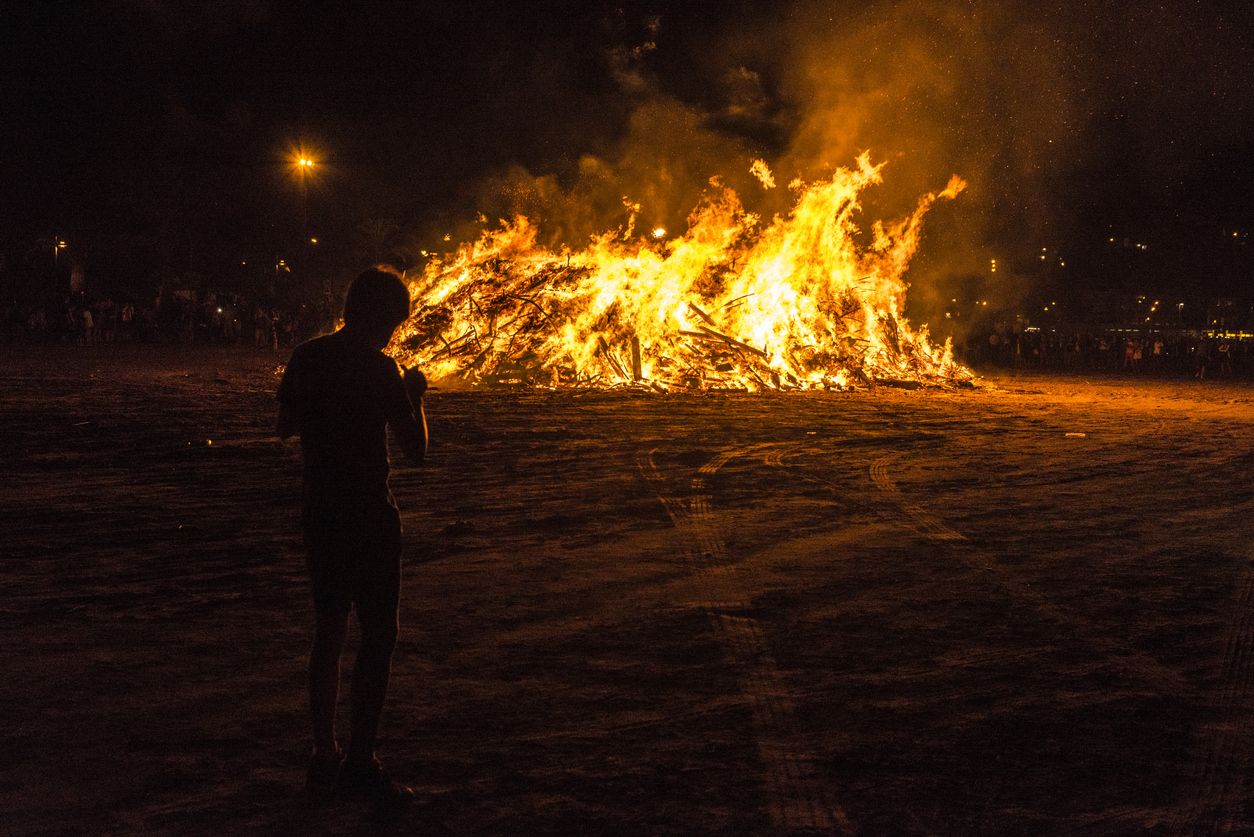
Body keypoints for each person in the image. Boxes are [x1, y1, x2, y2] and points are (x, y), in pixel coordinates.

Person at [277, 267, 428, 806]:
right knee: (379, 634)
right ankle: (361, 760)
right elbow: (416, 449)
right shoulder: (382, 368)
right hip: (368, 512)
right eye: (393, 321)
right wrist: (416, 394)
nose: (393, 333)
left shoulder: (307, 357)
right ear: (380, 316)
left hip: (320, 510)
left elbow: (285, 426)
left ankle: (324, 752)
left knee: (329, 629)